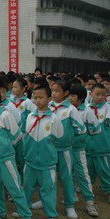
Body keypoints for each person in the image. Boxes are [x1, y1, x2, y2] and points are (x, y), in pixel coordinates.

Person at [0, 88, 31, 219]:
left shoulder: (5, 115)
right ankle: (1, 213)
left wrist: (5, 148)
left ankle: (26, 214)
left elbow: (16, 136)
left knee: (15, 188)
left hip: (6, 159)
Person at [45, 80, 85, 219]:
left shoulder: (71, 109)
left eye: (57, 91)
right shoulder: (48, 105)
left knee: (67, 177)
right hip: (49, 149)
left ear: (66, 93)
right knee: (49, 177)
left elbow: (81, 129)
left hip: (65, 149)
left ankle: (70, 205)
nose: (54, 93)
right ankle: (47, 201)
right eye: (52, 90)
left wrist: (68, 139)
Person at [22, 86, 64, 219]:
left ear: (49, 99)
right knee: (27, 188)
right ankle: (25, 211)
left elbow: (58, 136)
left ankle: (51, 214)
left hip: (47, 163)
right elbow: (26, 134)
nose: (38, 100)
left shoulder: (54, 119)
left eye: (41, 97)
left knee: (48, 190)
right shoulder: (30, 116)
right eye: (35, 97)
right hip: (30, 161)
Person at [69, 84, 100, 217]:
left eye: (73, 96)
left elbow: (96, 129)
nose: (70, 98)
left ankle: (89, 202)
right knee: (67, 174)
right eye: (69, 95)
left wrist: (84, 137)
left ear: (81, 98)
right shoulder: (67, 109)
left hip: (78, 148)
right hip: (65, 149)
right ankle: (71, 196)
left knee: (82, 174)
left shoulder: (87, 111)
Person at [86, 83, 110, 204]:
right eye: (97, 94)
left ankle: (108, 189)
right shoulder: (86, 108)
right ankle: (87, 189)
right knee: (88, 170)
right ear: (90, 94)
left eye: (103, 94)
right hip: (88, 147)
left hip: (103, 146)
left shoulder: (107, 108)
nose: (100, 97)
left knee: (105, 170)